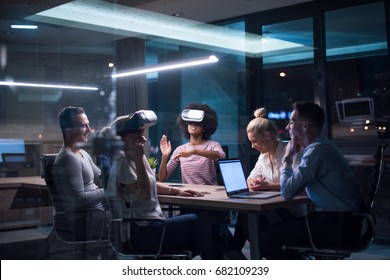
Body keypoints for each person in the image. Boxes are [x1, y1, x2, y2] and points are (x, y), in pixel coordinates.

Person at [106, 111, 223, 259]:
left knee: (209, 231)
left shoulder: (136, 159)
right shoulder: (123, 163)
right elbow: (144, 192)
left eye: (139, 133)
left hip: (154, 224)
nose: (139, 137)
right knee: (204, 223)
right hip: (142, 232)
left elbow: (152, 183)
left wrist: (176, 191)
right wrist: (140, 155)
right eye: (133, 134)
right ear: (121, 139)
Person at [260, 101, 366, 259]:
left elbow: (288, 192)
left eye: (291, 122)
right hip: (343, 223)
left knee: (266, 238)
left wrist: (288, 158)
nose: (288, 127)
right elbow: (295, 187)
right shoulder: (320, 148)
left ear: (305, 125)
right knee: (272, 222)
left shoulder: (317, 151)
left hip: (336, 226)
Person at [233, 107, 301, 252]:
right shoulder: (263, 157)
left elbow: (297, 185)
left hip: (292, 212)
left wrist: (268, 186)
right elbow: (251, 178)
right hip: (271, 209)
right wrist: (253, 182)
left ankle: (233, 252)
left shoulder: (290, 151)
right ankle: (235, 252)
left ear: (267, 136)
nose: (252, 146)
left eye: (255, 141)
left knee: (250, 221)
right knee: (246, 217)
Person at [52, 106, 110, 240]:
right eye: (83, 126)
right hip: (85, 220)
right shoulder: (68, 159)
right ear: (68, 130)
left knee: (133, 214)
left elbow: (103, 178)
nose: (89, 130)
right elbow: (79, 200)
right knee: (132, 220)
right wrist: (105, 191)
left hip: (96, 213)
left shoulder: (82, 153)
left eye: (88, 125)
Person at [159, 103, 226, 185]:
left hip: (210, 192)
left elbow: (221, 155)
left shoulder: (213, 145)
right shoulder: (180, 149)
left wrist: (194, 151)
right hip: (189, 194)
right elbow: (162, 178)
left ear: (205, 126)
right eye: (190, 122)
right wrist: (164, 157)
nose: (193, 124)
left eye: (197, 122)